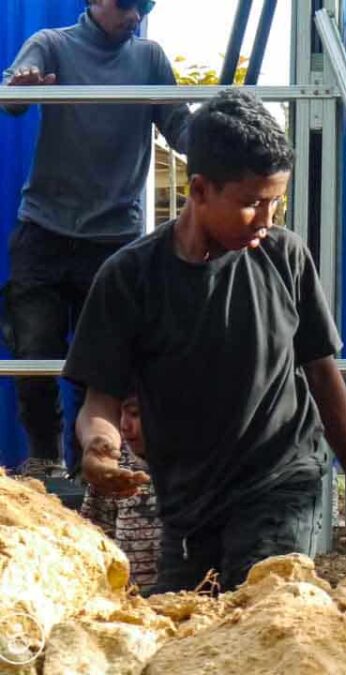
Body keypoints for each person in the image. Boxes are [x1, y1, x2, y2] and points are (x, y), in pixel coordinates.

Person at [63, 90, 346, 593]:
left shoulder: (286, 256)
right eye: (252, 203)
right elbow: (99, 399)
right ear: (199, 190)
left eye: (276, 201)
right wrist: (98, 447)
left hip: (281, 478)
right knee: (183, 628)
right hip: (187, 504)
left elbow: (323, 375)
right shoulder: (129, 277)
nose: (267, 220)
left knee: (259, 607)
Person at [1, 0, 190, 481]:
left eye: (144, 5)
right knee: (34, 351)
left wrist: (225, 130)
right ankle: (45, 459)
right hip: (43, 230)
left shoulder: (149, 58)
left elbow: (181, 128)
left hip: (113, 237)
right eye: (126, 3)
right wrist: (20, 86)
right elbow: (15, 95)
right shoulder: (52, 44)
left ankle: (93, 464)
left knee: (103, 361)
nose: (136, 14)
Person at [80, 395, 161, 592]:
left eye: (135, 414)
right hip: (131, 606)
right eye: (119, 415)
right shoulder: (114, 466)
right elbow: (94, 541)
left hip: (193, 602)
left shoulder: (199, 467)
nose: (125, 425)